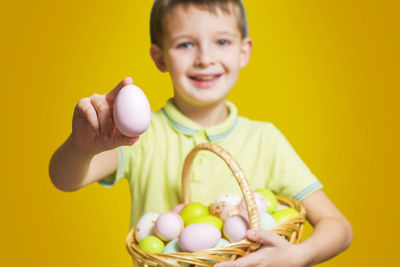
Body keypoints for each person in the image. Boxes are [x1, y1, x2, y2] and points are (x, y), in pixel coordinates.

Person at [49, 0, 353, 266]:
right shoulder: (141, 136)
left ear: (244, 52)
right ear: (160, 58)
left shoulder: (265, 140)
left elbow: (338, 227)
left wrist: (299, 256)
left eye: (221, 42)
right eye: (185, 44)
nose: (204, 58)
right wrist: (82, 147)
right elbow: (64, 179)